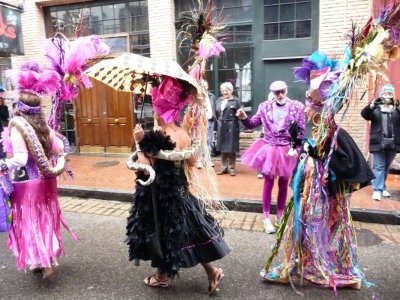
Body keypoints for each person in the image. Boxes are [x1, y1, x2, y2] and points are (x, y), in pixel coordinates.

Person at [261, 55, 374, 290]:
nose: (305, 106)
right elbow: (314, 151)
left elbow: (337, 163)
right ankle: (305, 266)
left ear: (321, 106)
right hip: (314, 192)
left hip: (322, 195)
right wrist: (303, 147)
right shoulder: (322, 127)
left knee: (309, 227)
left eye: (309, 101)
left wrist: (312, 156)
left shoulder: (331, 132)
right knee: (305, 227)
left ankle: (313, 269)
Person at [126, 77, 229, 294]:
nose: (154, 111)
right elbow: (192, 162)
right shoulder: (183, 133)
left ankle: (163, 277)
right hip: (181, 190)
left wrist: (139, 141)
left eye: (155, 107)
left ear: (160, 110)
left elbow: (146, 167)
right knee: (190, 232)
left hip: (160, 195)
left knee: (163, 232)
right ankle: (204, 272)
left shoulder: (158, 136)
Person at [1, 88, 78, 278]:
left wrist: (3, 164)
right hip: (46, 181)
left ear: (20, 107)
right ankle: (41, 259)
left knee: (30, 222)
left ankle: (43, 260)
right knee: (44, 219)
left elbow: (19, 159)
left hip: (26, 182)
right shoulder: (44, 126)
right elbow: (59, 148)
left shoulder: (18, 127)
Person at [236, 81, 305, 233]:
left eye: (282, 91)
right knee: (268, 181)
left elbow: (301, 131)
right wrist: (243, 117)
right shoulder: (264, 106)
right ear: (272, 93)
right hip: (270, 148)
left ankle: (280, 216)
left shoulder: (297, 107)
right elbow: (252, 124)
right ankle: (266, 218)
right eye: (276, 92)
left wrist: (296, 147)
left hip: (287, 149)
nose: (280, 95)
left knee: (284, 182)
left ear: (286, 90)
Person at [361, 83, 400, 201]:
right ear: (381, 95)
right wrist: (371, 105)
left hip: (393, 143)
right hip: (378, 142)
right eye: (385, 93)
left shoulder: (396, 108)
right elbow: (365, 115)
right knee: (379, 166)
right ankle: (377, 190)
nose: (387, 95)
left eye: (389, 93)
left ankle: (382, 187)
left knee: (387, 167)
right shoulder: (376, 108)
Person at [215, 82, 241, 176]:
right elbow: (216, 114)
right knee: (223, 147)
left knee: (231, 148)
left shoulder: (236, 101)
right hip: (221, 125)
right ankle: (223, 167)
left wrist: (240, 129)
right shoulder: (218, 100)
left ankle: (231, 168)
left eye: (227, 90)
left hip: (232, 126)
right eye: (223, 90)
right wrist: (215, 128)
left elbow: (240, 116)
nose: (225, 92)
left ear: (231, 90)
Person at [197, 79, 216, 169]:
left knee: (209, 141)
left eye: (205, 86)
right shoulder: (196, 97)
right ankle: (200, 161)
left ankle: (207, 160)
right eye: (201, 86)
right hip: (200, 122)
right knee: (200, 141)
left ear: (207, 87)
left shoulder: (212, 96)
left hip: (210, 121)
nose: (203, 87)